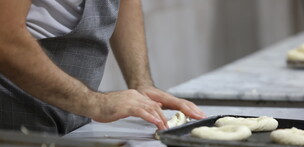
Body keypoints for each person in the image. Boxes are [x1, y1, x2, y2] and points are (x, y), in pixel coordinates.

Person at [0, 0, 206, 135]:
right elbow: (5, 39)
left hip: (73, 119)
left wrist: (141, 82)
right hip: (11, 115)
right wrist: (97, 103)